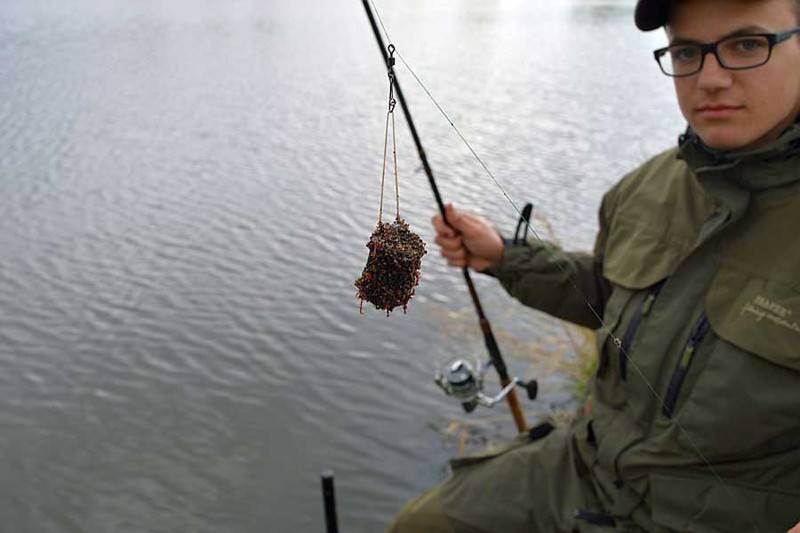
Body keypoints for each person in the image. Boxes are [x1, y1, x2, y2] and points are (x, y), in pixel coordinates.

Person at [387, 0, 800, 531]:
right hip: (586, 467)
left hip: (722, 515)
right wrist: (506, 259)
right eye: (687, 51)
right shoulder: (644, 188)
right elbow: (607, 297)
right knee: (422, 525)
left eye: (747, 44)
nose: (710, 78)